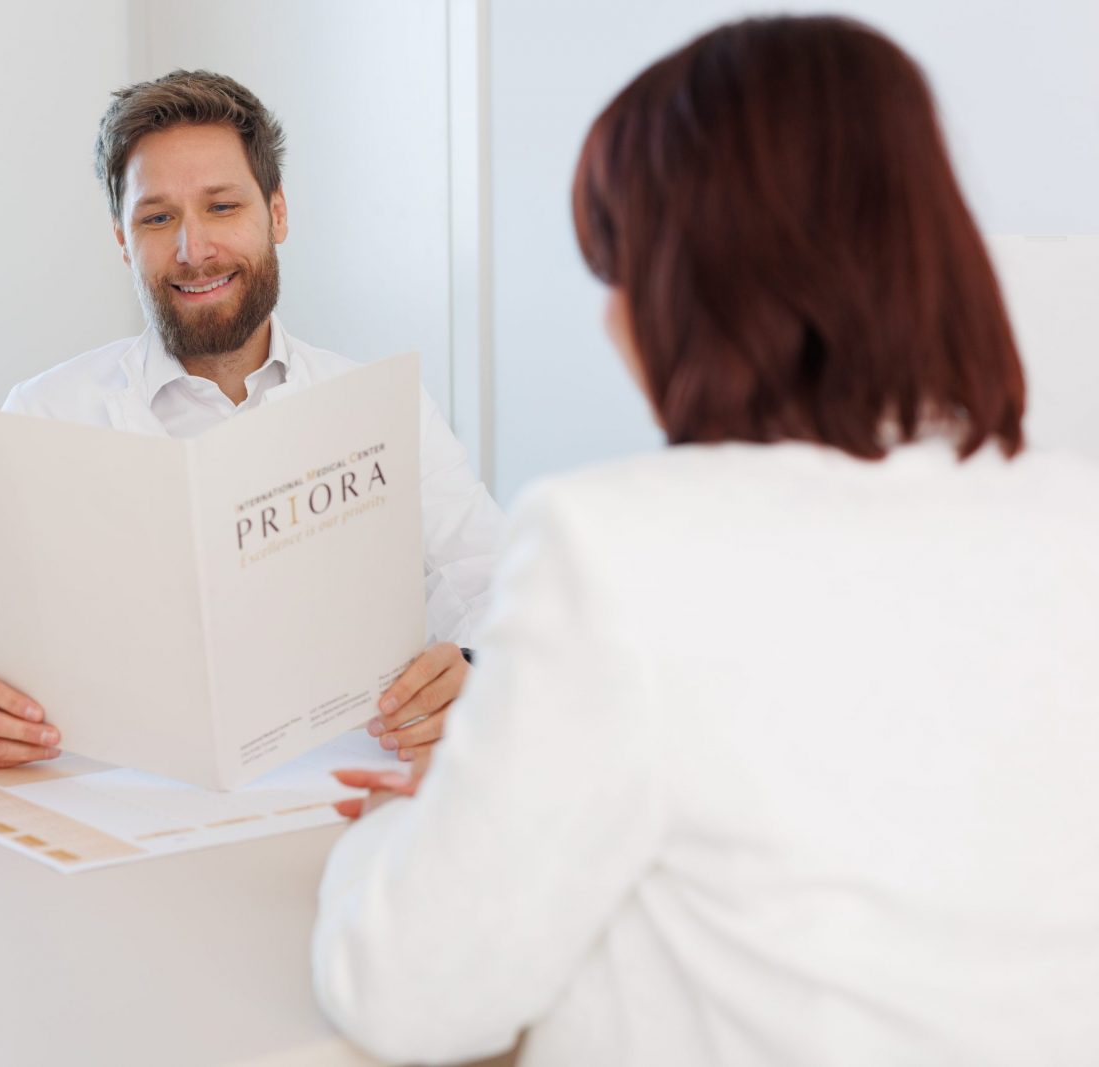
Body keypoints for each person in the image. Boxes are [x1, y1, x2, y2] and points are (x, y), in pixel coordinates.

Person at [312, 16, 1099, 1066]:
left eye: (620, 268)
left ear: (697, 281)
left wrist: (390, 844)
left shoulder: (616, 546)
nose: (609, 322)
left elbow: (411, 993)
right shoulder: (1072, 520)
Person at [0, 70, 505, 770]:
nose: (193, 249)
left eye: (222, 207)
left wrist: (478, 667)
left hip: (338, 790)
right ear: (123, 241)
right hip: (105, 805)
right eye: (157, 218)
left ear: (277, 214)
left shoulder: (383, 406)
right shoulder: (44, 413)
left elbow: (491, 577)